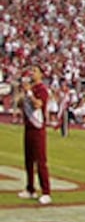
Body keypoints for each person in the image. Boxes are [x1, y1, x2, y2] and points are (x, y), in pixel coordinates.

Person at [16, 67, 52, 205]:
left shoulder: (42, 89)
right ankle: (30, 188)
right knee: (28, 160)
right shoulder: (30, 88)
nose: (32, 73)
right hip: (28, 127)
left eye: (35, 71)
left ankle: (46, 192)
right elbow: (20, 104)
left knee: (40, 161)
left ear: (41, 74)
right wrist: (22, 94)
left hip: (38, 128)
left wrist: (29, 93)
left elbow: (38, 104)